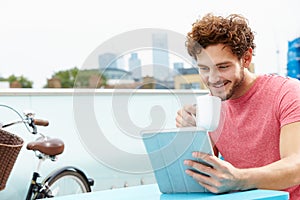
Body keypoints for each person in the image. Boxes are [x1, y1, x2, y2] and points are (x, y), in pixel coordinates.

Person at [176, 13, 300, 199]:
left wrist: (239, 178)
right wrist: (191, 134)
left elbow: (296, 166)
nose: (213, 79)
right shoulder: (210, 105)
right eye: (204, 68)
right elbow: (202, 171)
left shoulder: (287, 93)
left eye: (223, 67)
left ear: (246, 58)